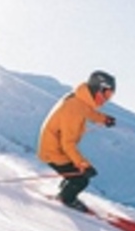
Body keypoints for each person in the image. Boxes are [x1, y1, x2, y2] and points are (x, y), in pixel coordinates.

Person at [37, 70, 117, 213]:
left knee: (75, 173)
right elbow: (67, 144)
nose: (106, 99)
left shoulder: (81, 99)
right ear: (97, 89)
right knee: (81, 179)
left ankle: (66, 189)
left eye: (110, 96)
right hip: (53, 151)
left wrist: (104, 119)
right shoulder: (74, 109)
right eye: (106, 94)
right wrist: (84, 165)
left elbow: (88, 112)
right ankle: (66, 199)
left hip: (55, 146)